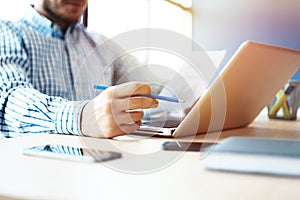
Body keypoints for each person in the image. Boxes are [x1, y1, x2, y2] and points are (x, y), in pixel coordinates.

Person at [0, 0, 161, 139]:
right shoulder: (8, 33)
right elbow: (9, 99)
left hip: (98, 165)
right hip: (32, 168)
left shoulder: (102, 44)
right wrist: (81, 117)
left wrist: (182, 96)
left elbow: (155, 87)